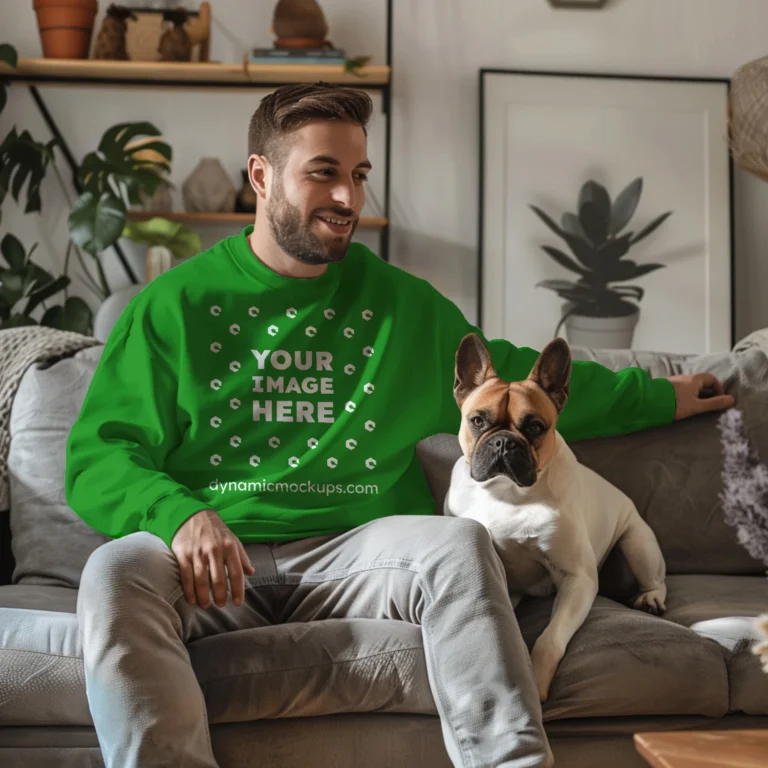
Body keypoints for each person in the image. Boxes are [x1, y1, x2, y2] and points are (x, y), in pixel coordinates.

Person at [65, 81, 734, 768]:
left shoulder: (402, 308)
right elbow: (97, 456)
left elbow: (522, 382)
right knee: (113, 573)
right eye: (323, 173)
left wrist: (663, 396)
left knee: (458, 546)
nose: (349, 200)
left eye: (359, 176)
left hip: (359, 553)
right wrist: (179, 516)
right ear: (261, 177)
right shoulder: (174, 305)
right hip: (213, 562)